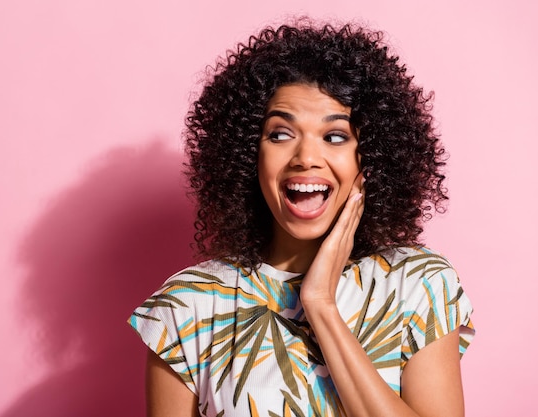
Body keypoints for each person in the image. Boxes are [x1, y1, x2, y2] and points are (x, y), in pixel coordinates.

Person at [129, 19, 475, 417]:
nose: (306, 158)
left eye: (335, 136)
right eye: (280, 134)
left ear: (372, 157)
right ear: (247, 156)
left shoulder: (418, 284)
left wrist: (321, 304)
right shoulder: (188, 305)